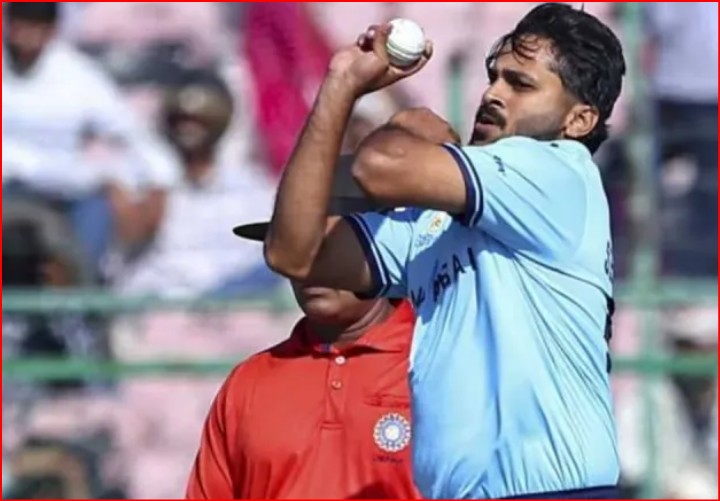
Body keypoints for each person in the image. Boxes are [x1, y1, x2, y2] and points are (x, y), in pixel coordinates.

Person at [261, 3, 625, 499]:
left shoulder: (558, 171)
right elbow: (293, 252)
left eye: (520, 85)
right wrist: (338, 87)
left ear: (579, 120)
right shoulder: (435, 221)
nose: (492, 94)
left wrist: (414, 128)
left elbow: (382, 166)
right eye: (494, 78)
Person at [186, 215, 419, 498]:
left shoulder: (438, 367)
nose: (307, 265)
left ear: (381, 248)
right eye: (295, 248)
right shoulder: (248, 381)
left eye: (328, 248)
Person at [2, 2, 177, 276]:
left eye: (35, 28)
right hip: (9, 190)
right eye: (19, 27)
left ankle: (84, 293)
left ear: (52, 31)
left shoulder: (77, 76)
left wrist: (157, 183)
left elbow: (133, 135)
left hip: (67, 194)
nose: (25, 37)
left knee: (98, 216)